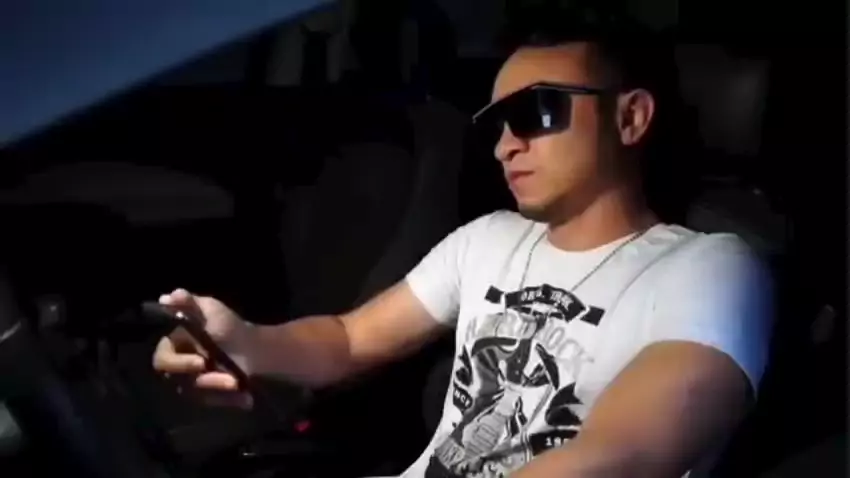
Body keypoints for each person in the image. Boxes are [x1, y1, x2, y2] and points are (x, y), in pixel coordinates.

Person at [152, 19, 773, 478]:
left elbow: (622, 454)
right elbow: (349, 339)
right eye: (497, 124)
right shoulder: (488, 238)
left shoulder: (709, 266)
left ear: (630, 118)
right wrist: (247, 342)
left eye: (535, 113)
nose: (505, 145)